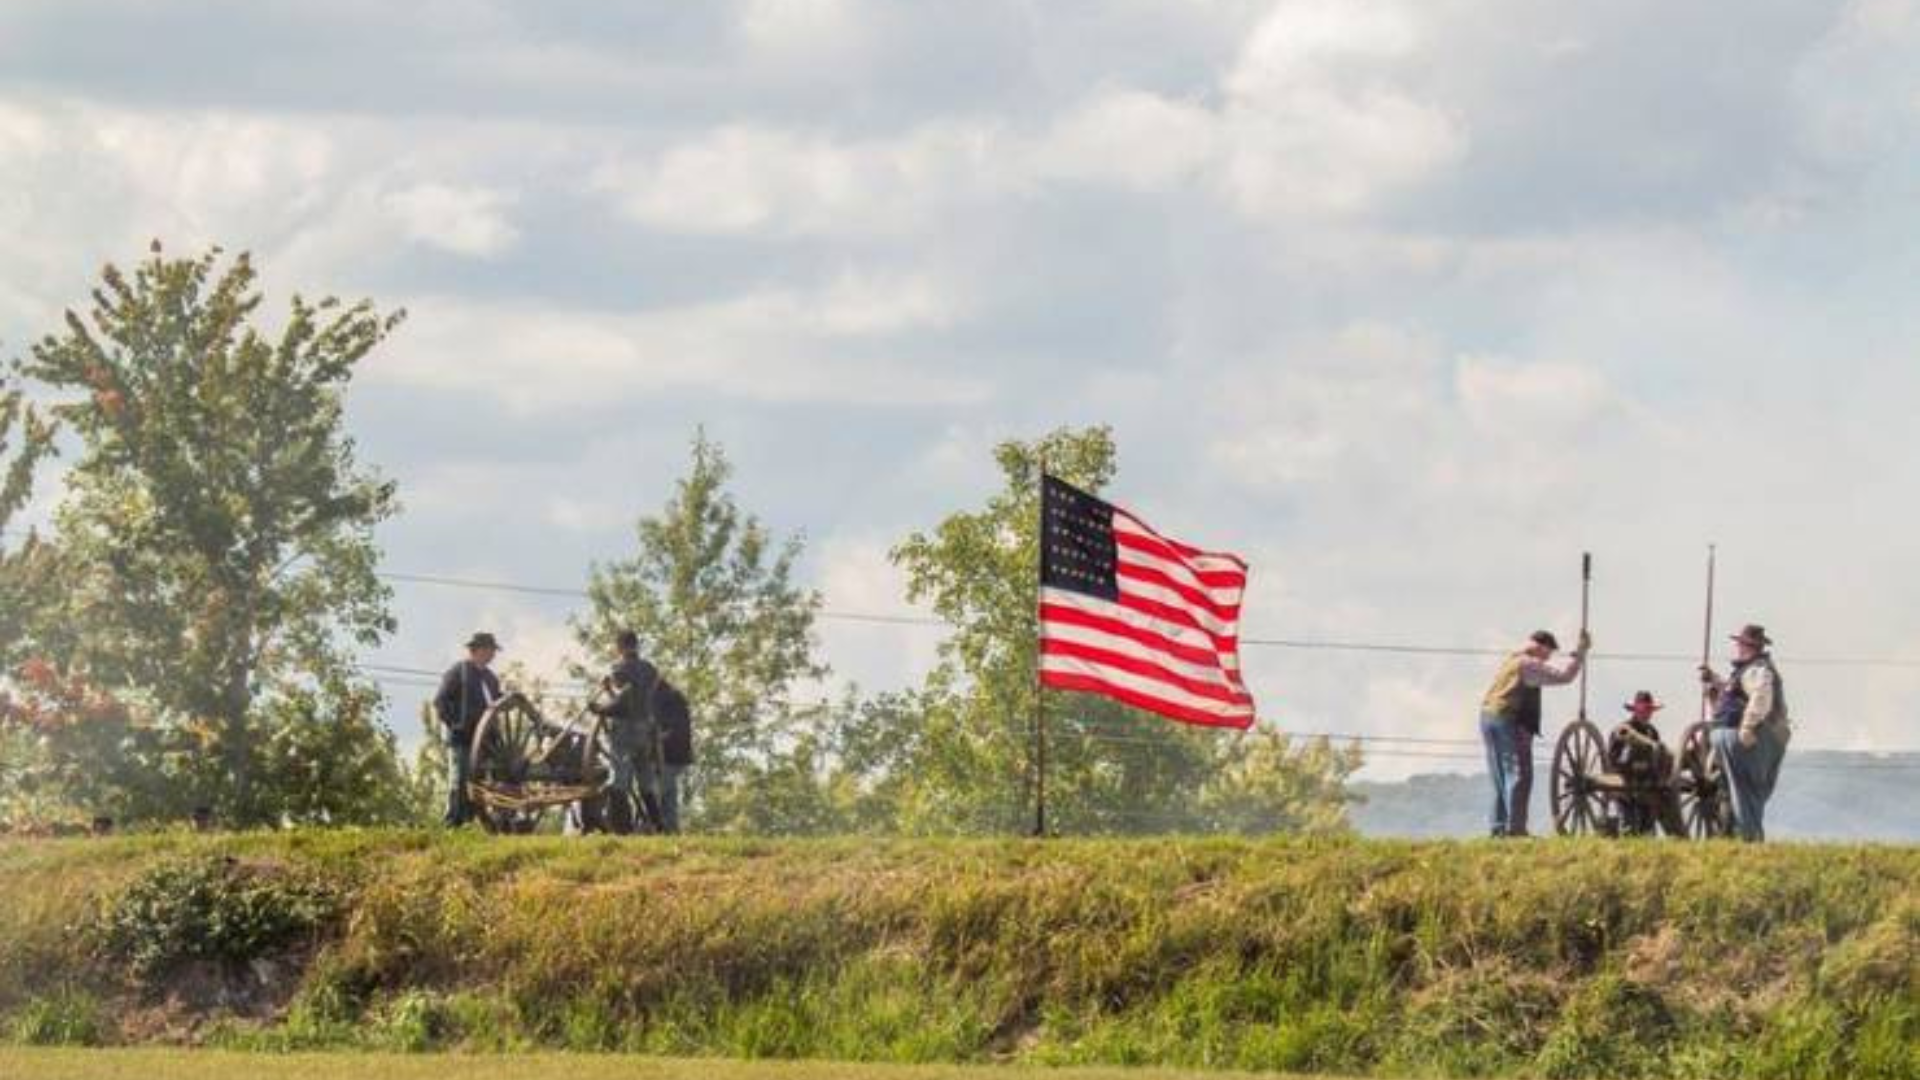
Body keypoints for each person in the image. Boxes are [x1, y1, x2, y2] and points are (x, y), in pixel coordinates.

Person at [1479, 628, 1590, 837]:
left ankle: (1498, 828)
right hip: (1507, 720)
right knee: (1518, 775)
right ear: (1541, 647)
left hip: (1488, 717)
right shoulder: (1528, 664)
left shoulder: (1511, 660)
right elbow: (1565, 676)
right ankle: (1516, 830)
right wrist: (1580, 653)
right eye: (1548, 653)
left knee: (1500, 777)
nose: (1548, 658)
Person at [1702, 624, 1790, 842]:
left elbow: (1761, 695)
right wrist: (1714, 681)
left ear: (1751, 646)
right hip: (1736, 734)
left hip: (1748, 738)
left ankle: (1749, 838)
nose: (1738, 647)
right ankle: (1746, 837)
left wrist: (1748, 726)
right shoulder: (1747, 670)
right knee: (1744, 792)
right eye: (1739, 643)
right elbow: (1735, 693)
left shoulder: (1757, 669)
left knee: (1745, 791)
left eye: (1742, 644)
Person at [589, 630, 664, 834]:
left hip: (624, 732)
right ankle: (658, 825)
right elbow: (635, 699)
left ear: (620, 646)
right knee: (646, 781)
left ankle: (622, 829)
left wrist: (599, 709)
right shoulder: (650, 670)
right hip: (644, 731)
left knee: (619, 780)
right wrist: (610, 692)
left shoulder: (620, 668)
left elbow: (622, 705)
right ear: (636, 645)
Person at [434, 631, 503, 828]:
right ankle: (453, 822)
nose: (493, 655)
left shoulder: (491, 679)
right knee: (460, 780)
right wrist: (456, 725)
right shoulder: (458, 671)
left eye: (493, 651)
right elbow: (440, 702)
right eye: (490, 650)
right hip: (462, 739)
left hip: (486, 742)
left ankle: (471, 821)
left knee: (479, 782)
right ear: (478, 650)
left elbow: (497, 704)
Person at [1607, 691, 1686, 837]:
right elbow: (1612, 758)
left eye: (1649, 710)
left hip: (1649, 786)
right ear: (1635, 709)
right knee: (1628, 827)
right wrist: (1626, 769)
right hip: (1626, 785)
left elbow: (1658, 756)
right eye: (1644, 709)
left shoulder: (1652, 732)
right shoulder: (1623, 729)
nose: (1647, 713)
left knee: (1647, 827)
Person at [654, 679, 693, 834]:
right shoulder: (670, 697)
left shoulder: (670, 699)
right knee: (668, 793)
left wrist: (657, 738)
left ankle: (660, 828)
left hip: (670, 755)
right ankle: (671, 829)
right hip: (673, 755)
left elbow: (672, 728)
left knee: (660, 792)